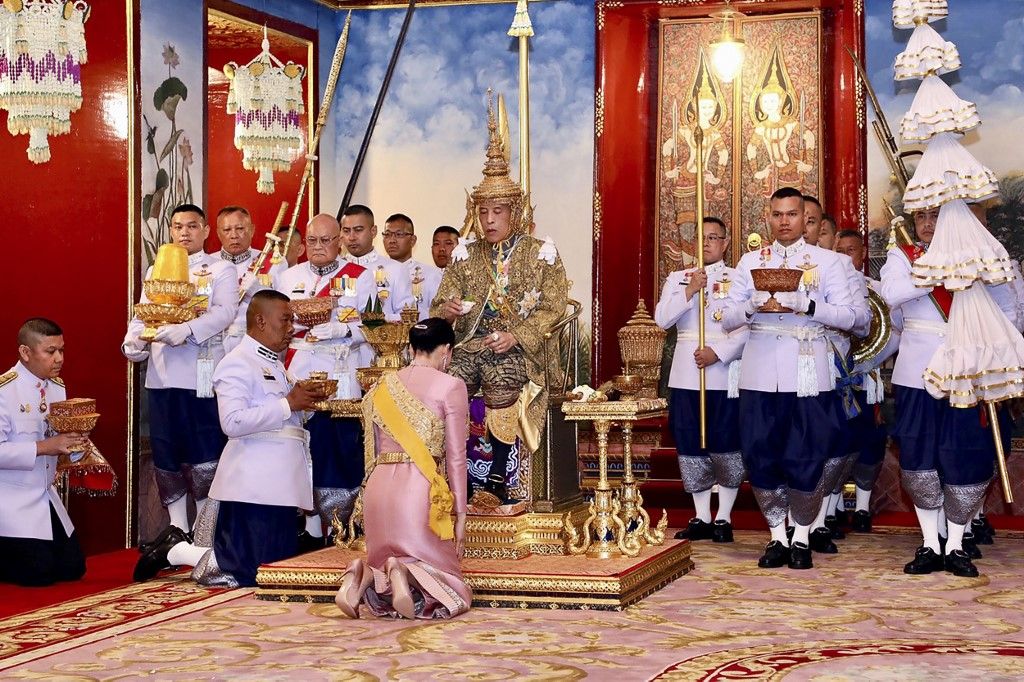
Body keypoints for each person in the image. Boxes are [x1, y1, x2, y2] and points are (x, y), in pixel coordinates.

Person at [431, 96, 569, 506]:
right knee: (447, 380)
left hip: (523, 350)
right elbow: (441, 303)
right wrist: (449, 312)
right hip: (472, 345)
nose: (489, 220)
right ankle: (454, 478)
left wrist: (516, 335)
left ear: (516, 212)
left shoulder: (541, 251)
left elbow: (555, 305)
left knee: (502, 378)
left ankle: (497, 478)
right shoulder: (464, 255)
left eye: (498, 211)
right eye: (484, 211)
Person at [133, 291, 319, 585]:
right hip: (253, 485)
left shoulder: (274, 363)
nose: (290, 328)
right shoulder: (238, 363)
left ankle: (182, 548)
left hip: (282, 482)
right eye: (285, 320)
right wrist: (287, 404)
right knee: (247, 568)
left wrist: (304, 404)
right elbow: (232, 422)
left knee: (276, 566)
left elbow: (284, 422)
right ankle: (177, 549)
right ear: (260, 320)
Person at [722, 187, 858, 570]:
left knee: (807, 451)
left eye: (792, 214)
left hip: (808, 368)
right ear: (769, 217)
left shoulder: (828, 262)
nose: (784, 221)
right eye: (778, 214)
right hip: (760, 368)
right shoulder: (750, 262)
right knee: (760, 451)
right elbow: (726, 318)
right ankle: (777, 536)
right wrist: (750, 305)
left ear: (806, 218)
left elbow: (855, 318)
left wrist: (808, 305)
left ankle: (801, 535)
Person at [880, 206, 1017, 577]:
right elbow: (891, 294)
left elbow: (1009, 313)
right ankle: (929, 543)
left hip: (968, 372)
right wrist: (934, 273)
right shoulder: (904, 256)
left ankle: (955, 544)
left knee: (964, 454)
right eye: (921, 217)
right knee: (918, 456)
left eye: (936, 217)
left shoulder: (982, 256)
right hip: (916, 373)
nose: (926, 224)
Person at [277, 213, 412, 545]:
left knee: (335, 450)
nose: (319, 247)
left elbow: (374, 326)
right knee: (299, 447)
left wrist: (344, 330)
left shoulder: (360, 277)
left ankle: (338, 526)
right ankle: (306, 531)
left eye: (326, 240)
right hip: (298, 368)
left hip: (340, 372)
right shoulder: (288, 276)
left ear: (339, 242)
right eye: (312, 241)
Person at [335, 318, 471, 619]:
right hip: (418, 489)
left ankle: (360, 579)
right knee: (449, 579)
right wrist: (460, 513)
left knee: (385, 556)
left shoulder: (382, 386)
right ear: (447, 350)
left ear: (410, 348)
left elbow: (370, 452)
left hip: (379, 488)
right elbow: (456, 457)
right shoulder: (451, 386)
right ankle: (404, 573)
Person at [123, 204, 235, 540]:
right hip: (161, 375)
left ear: (205, 231)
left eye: (191, 226)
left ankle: (204, 529)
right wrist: (133, 341)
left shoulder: (219, 270)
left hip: (199, 371)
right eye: (177, 226)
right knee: (166, 448)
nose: (184, 233)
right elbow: (144, 313)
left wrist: (187, 330)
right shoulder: (158, 269)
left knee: (202, 447)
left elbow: (225, 312)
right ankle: (176, 528)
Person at [655, 217, 748, 543]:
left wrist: (719, 353)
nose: (707, 243)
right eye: (702, 238)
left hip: (722, 371)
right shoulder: (678, 278)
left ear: (725, 242)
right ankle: (701, 515)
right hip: (685, 372)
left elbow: (746, 326)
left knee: (726, 442)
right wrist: (689, 291)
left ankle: (723, 517)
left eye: (714, 238)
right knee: (690, 442)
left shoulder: (737, 278)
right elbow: (662, 319)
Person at [0, 318, 87, 586]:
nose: (59, 358)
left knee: (73, 568)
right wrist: (44, 448)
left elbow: (57, 443)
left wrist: (75, 445)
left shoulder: (56, 387)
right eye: (50, 351)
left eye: (61, 350)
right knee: (38, 575)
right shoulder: (5, 391)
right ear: (25, 353)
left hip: (45, 496)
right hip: (11, 500)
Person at [834, 229, 901, 533]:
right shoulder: (830, 288)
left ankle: (862, 508)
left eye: (852, 250)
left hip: (867, 380)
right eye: (841, 250)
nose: (847, 255)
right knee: (838, 441)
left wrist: (868, 360)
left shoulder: (878, 290)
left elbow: (894, 331)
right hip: (836, 378)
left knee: (869, 441)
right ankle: (832, 508)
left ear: (861, 254)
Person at [216, 206, 287, 354]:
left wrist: (259, 292)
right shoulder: (210, 264)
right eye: (227, 230)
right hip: (215, 343)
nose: (234, 235)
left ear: (252, 230)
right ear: (218, 233)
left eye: (240, 228)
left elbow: (285, 309)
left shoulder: (273, 263)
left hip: (255, 344)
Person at [383, 213, 443, 320]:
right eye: (387, 234)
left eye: (399, 234)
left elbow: (438, 313)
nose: (392, 240)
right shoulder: (375, 272)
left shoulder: (432, 274)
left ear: (413, 240)